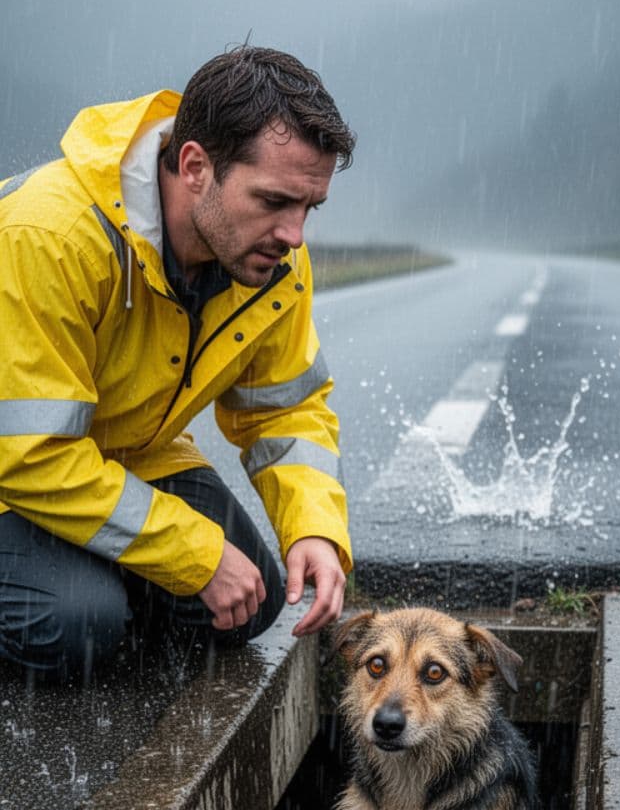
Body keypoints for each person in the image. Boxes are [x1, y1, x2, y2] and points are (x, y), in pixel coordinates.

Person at [0, 47, 356, 681]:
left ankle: (89, 580)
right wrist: (191, 554)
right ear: (195, 165)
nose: (295, 236)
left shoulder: (270, 261)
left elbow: (287, 407)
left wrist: (314, 530)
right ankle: (82, 600)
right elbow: (30, 452)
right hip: (15, 469)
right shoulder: (48, 235)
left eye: (308, 208)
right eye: (274, 200)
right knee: (75, 626)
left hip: (122, 457)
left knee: (255, 603)